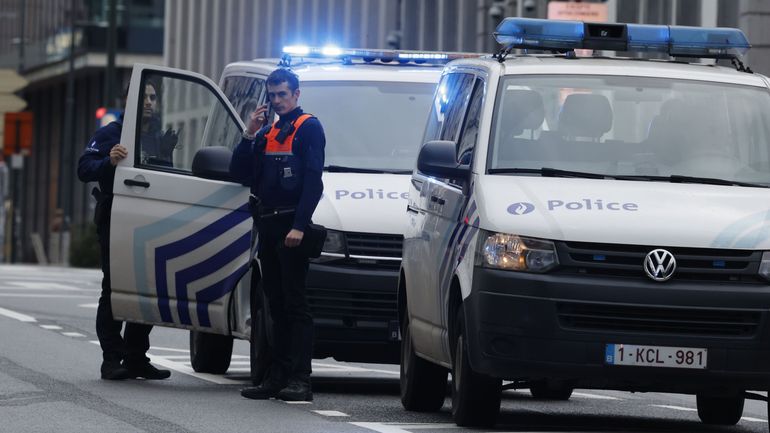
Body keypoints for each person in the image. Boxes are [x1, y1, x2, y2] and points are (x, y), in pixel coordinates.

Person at [231, 68, 325, 402]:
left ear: (296, 94)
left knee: (295, 303)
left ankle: (301, 379)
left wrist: (300, 225)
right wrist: (248, 133)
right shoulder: (267, 132)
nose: (277, 101)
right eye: (272, 96)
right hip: (268, 228)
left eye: (282, 94)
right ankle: (277, 376)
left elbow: (314, 182)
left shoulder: (308, 128)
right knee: (275, 304)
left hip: (291, 229)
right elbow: (239, 173)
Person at [77, 87, 172, 381]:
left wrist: (168, 152)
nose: (148, 102)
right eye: (143, 96)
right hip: (117, 220)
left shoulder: (157, 134)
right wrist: (109, 161)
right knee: (115, 287)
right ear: (128, 101)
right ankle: (111, 359)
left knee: (150, 288)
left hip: (152, 222)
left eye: (153, 98)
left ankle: (135, 357)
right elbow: (84, 168)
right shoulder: (113, 132)